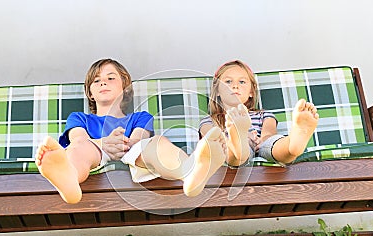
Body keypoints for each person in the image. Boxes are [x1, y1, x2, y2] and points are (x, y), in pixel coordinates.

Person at [36, 59, 226, 204]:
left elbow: (138, 139)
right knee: (78, 147)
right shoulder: (79, 118)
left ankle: (190, 171)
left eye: (111, 78)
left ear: (125, 89)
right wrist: (105, 142)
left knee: (156, 143)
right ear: (90, 93)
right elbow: (78, 138)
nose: (103, 83)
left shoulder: (140, 117)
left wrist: (120, 142)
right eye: (96, 81)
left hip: (131, 150)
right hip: (94, 150)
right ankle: (69, 179)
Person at [199, 60, 319, 167]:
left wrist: (259, 140)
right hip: (231, 146)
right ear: (217, 91)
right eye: (228, 81)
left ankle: (292, 146)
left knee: (272, 143)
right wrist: (242, 137)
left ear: (251, 92)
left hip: (260, 145)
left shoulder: (264, 115)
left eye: (242, 82)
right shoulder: (209, 120)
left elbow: (269, 135)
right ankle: (238, 142)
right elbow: (212, 139)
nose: (235, 86)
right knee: (224, 147)